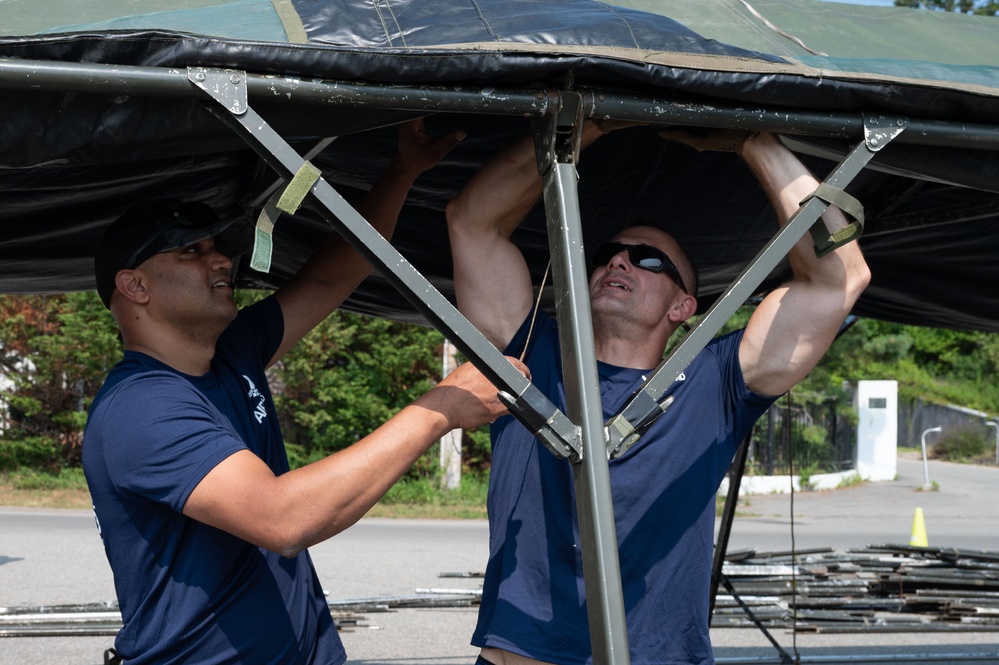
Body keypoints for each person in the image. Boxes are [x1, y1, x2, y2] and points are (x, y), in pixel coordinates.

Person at [82, 119, 525, 665]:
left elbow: (329, 277)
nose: (221, 259)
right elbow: (281, 519)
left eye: (215, 247)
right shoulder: (139, 407)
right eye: (191, 252)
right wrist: (440, 409)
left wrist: (402, 172)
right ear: (135, 286)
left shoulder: (231, 351)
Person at [445, 121, 871, 665]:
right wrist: (585, 125)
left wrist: (753, 141)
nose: (618, 262)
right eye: (609, 253)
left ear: (682, 307)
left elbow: (840, 279)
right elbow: (471, 222)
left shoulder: (711, 385)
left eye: (649, 261)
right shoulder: (528, 353)